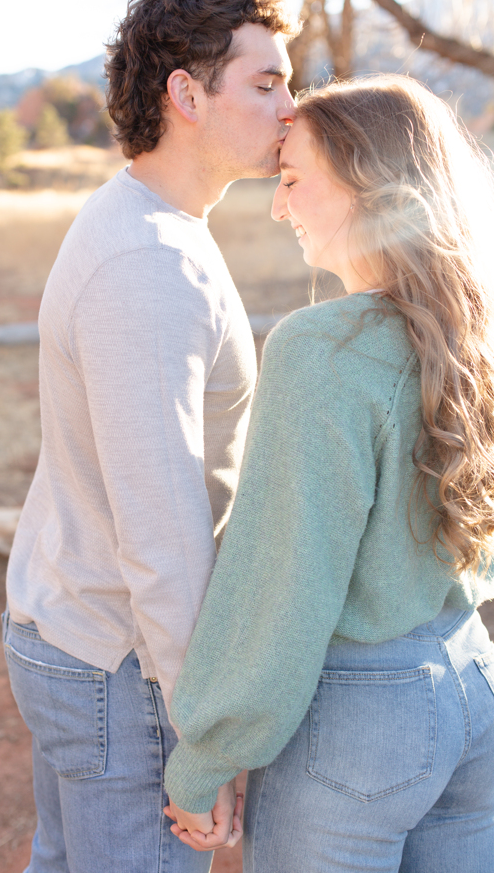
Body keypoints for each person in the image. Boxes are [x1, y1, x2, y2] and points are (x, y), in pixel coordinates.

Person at [164, 74, 494, 872]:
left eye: (291, 180)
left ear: (367, 185)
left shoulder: (323, 349)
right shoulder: (469, 331)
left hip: (358, 729)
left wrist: (208, 757)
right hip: (469, 687)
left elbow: (283, 580)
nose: (280, 208)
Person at [2, 0, 296, 871]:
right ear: (186, 95)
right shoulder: (149, 266)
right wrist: (207, 732)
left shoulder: (155, 220)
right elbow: (162, 531)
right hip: (120, 665)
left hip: (80, 631)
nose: (292, 106)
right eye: (265, 84)